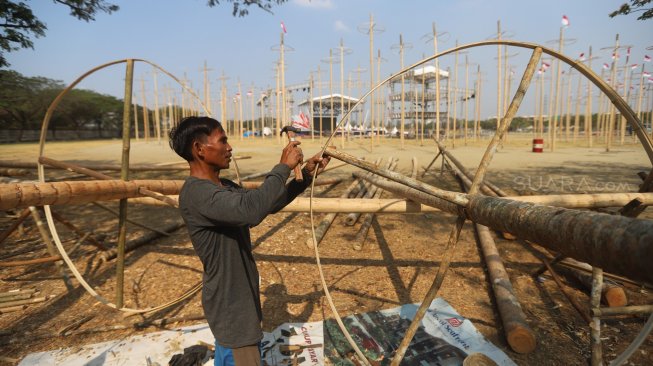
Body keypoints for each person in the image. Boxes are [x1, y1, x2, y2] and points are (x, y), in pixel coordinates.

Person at [168, 116, 329, 366]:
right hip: (231, 305)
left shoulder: (223, 186)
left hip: (237, 299)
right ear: (199, 149)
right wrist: (283, 167)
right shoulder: (197, 194)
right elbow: (251, 210)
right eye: (222, 141)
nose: (229, 147)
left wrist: (306, 174)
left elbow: (266, 204)